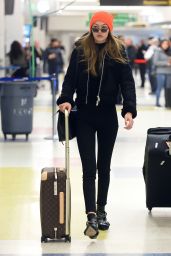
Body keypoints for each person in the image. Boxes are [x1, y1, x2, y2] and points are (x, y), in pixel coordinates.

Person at [57, 11, 137, 239]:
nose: (100, 32)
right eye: (96, 28)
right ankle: (90, 214)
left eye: (104, 28)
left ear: (110, 30)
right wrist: (65, 100)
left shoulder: (118, 51)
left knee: (104, 167)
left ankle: (102, 210)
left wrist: (129, 109)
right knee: (89, 169)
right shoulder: (80, 49)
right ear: (91, 29)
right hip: (84, 115)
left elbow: (127, 82)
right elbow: (70, 78)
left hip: (107, 116)